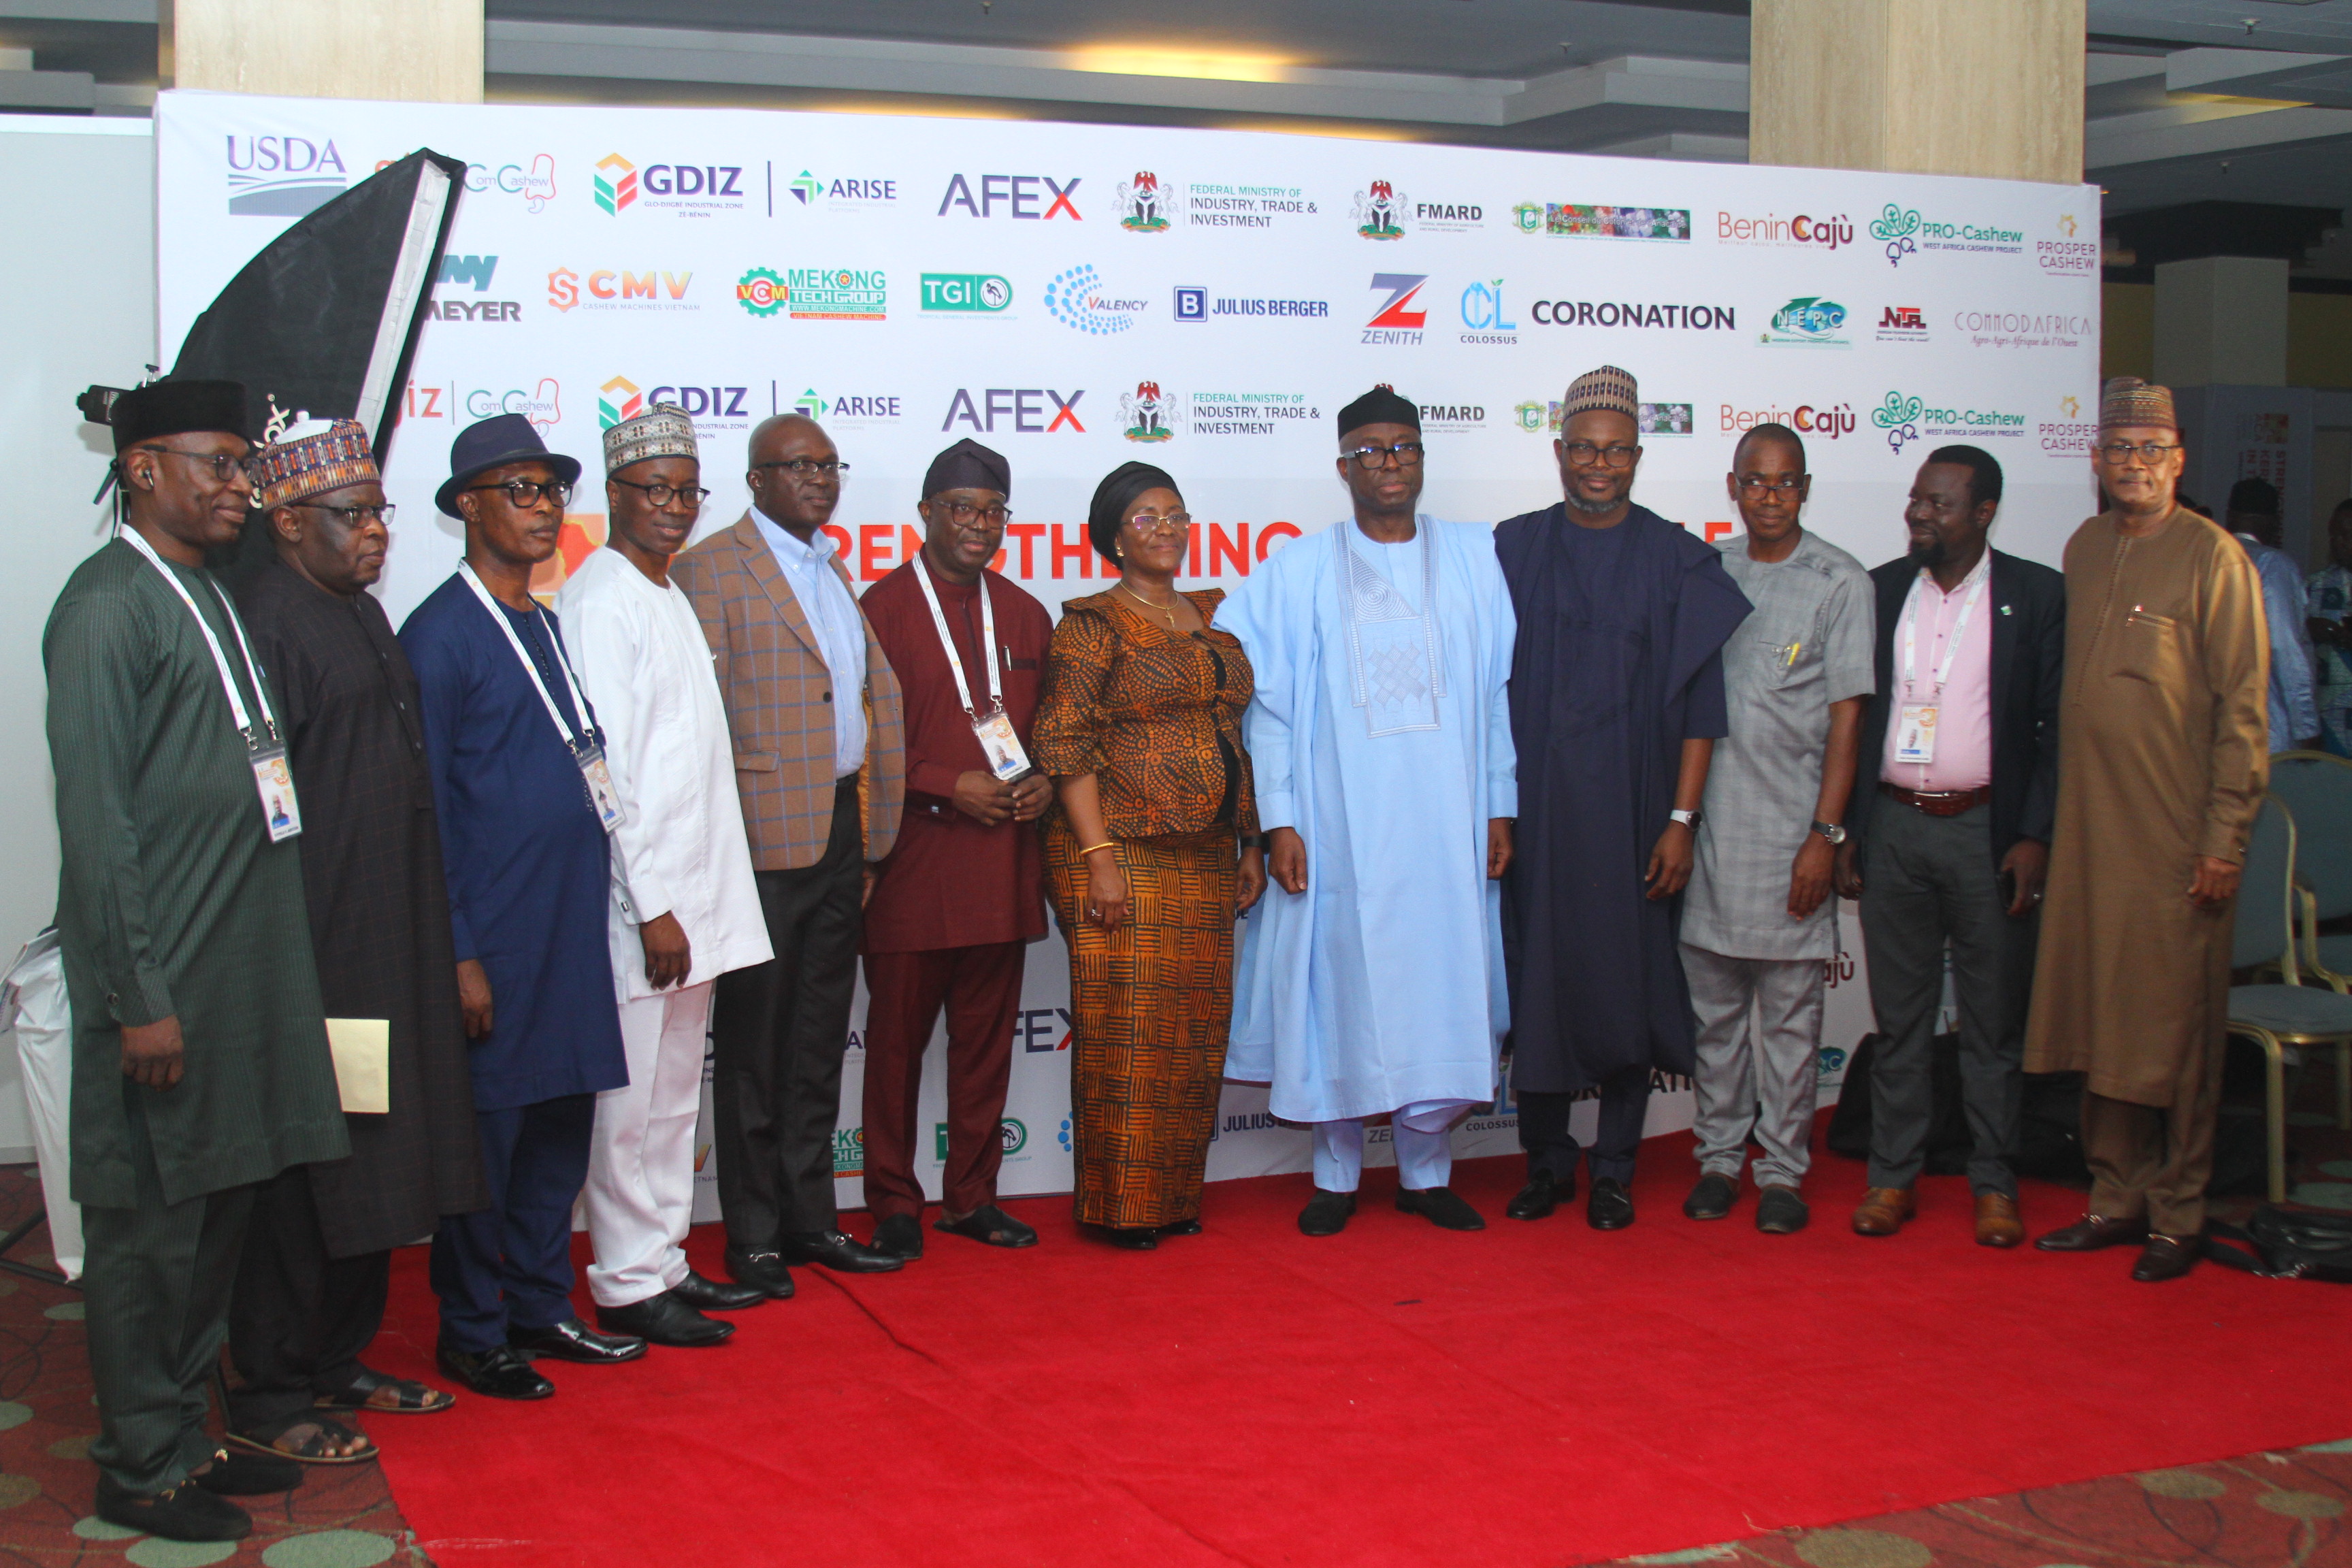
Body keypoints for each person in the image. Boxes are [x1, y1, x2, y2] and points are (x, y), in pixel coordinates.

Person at [48, 379, 346, 1541]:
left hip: (242, 977)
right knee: (150, 1239)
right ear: (142, 470)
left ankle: (182, 1431)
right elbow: (97, 827)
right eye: (217, 464)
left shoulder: (211, 592)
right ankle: (138, 1464)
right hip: (165, 985)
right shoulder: (104, 606)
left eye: (244, 465)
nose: (240, 486)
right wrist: (138, 997)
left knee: (216, 1224)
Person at [227, 419, 488, 1462]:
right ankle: (270, 1390)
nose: (377, 531)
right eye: (353, 515)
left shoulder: (362, 611)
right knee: (305, 1182)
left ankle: (337, 1358)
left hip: (393, 940)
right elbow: (259, 815)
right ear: (289, 522)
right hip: (320, 952)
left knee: (375, 1163)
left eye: (381, 512)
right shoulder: (267, 626)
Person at [1221, 389, 1516, 1237]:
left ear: (1421, 458)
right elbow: (1268, 712)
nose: (1391, 463)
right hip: (1339, 832)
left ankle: (1426, 1175)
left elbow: (1494, 696)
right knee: (1340, 986)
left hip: (1449, 829)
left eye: (1404, 447)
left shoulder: (1475, 558)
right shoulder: (1299, 571)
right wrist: (1280, 820)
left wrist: (1500, 805)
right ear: (1344, 467)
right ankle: (1336, 1175)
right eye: (1372, 451)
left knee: (1442, 986)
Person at [401, 414, 640, 1398]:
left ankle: (541, 1305)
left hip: (568, 929)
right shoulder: (437, 636)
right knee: (488, 1147)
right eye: (521, 491)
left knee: (557, 1133)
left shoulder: (544, 620)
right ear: (468, 505)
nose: (544, 510)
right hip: (493, 940)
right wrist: (457, 950)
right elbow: (422, 811)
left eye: (551, 491)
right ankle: (472, 1329)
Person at [2025, 378, 2268, 1283]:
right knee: (2101, 1026)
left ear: (2179, 460)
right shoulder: (2086, 546)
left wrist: (2222, 842)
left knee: (2177, 1036)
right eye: (2120, 450)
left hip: (2176, 847)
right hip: (2090, 839)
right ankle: (2114, 1195)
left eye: (2152, 451)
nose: (2135, 465)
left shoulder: (2214, 559)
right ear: (2096, 461)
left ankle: (2180, 1212)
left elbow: (2244, 716)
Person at [1497, 365, 1750, 1230]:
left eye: (1615, 452)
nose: (1598, 465)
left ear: (1637, 457)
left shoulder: (1676, 560)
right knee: (1539, 980)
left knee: (1625, 984)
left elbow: (1703, 707)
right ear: (1559, 452)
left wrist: (1681, 821)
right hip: (1536, 816)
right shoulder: (1513, 549)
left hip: (1637, 816)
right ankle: (1545, 1162)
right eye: (1583, 449)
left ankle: (1614, 1168)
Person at [672, 414, 906, 1294]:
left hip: (841, 830)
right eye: (797, 466)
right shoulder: (709, 570)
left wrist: (870, 835)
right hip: (758, 845)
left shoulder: (829, 568)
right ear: (756, 480)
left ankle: (812, 1220)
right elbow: (698, 726)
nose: (818, 479)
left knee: (815, 1041)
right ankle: (755, 1236)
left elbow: (861, 703)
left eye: (828, 465)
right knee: (753, 1048)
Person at [555, 406, 773, 1347]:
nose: (675, 507)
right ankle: (624, 1279)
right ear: (614, 495)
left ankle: (665, 1258)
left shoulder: (667, 590)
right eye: (657, 490)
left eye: (688, 491)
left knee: (675, 1097)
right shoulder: (600, 600)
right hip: (643, 908)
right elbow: (606, 775)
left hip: (700, 895)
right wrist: (651, 908)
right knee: (632, 1106)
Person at [1835, 446, 2065, 1247]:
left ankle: (1994, 1183)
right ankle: (1891, 1179)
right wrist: (1850, 830)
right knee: (1900, 1021)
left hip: (1986, 832)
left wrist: (2034, 834)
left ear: (1984, 513)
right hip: (1894, 824)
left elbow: (2053, 729)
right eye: (1916, 499)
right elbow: (1853, 719)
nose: (1919, 514)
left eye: (1938, 503)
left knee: (1990, 1025)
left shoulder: (2035, 595)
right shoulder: (1880, 589)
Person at [1034, 461, 1264, 1248]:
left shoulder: (1215, 616)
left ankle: (1174, 1195)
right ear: (1113, 538)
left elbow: (1237, 733)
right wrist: (1099, 856)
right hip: (1121, 851)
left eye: (1175, 515)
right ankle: (1122, 1207)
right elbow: (1063, 741)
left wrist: (1250, 840)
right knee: (1127, 1032)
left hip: (1206, 853)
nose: (1165, 529)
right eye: (1145, 518)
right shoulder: (1092, 624)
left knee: (1193, 1032)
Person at [857, 440, 1055, 1259]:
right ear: (927, 514)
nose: (979, 525)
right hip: (912, 866)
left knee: (984, 1050)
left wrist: (1042, 781)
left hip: (1002, 867)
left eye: (993, 512)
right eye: (962, 509)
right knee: (894, 1052)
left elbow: (1049, 734)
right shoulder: (880, 609)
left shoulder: (1026, 613)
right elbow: (861, 744)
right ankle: (892, 1200)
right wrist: (944, 784)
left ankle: (972, 1197)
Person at [1679, 423, 1872, 1236]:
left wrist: (1826, 835)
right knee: (1716, 1022)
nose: (1770, 497)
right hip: (1709, 839)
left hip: (1793, 840)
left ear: (1805, 489)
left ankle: (1784, 1171)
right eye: (1755, 482)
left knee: (1792, 1027)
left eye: (1786, 482)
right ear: (1733, 487)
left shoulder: (1839, 581)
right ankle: (1720, 1161)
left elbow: (1848, 719)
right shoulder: (1707, 572)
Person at [2223, 477, 2320, 753]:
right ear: (2273, 522)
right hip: (2266, 728)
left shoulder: (2206, 558)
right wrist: (2307, 727)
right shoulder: (2273, 565)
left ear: (2230, 516)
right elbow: (2285, 648)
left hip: (2214, 727)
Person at [2309, 498, 2352, 757]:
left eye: (2347, 535)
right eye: (2334, 535)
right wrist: (2308, 630)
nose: (2339, 542)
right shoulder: (2314, 588)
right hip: (2329, 721)